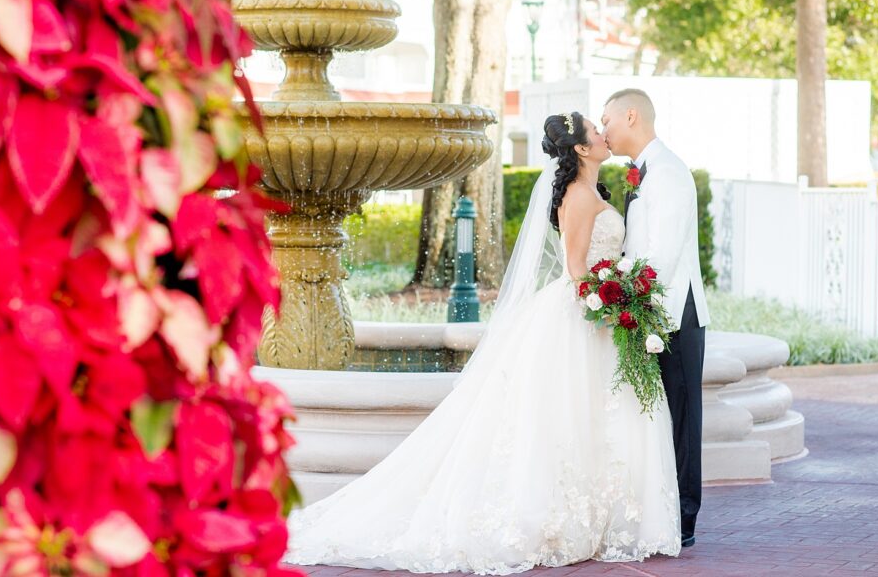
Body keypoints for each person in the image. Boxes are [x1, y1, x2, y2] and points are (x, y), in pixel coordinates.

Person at [284, 111, 681, 575]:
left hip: (597, 312)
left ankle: (604, 516)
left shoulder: (594, 190)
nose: (603, 134)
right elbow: (577, 269)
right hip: (584, 313)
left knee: (594, 416)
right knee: (567, 417)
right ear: (580, 148)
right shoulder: (576, 195)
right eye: (596, 131)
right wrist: (611, 300)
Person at [601, 88, 711, 548]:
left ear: (631, 116)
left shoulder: (668, 173)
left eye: (606, 120)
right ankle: (661, 507)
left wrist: (631, 302)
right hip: (648, 313)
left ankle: (684, 517)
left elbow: (663, 254)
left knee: (683, 417)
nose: (602, 129)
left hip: (674, 314)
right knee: (657, 418)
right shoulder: (643, 173)